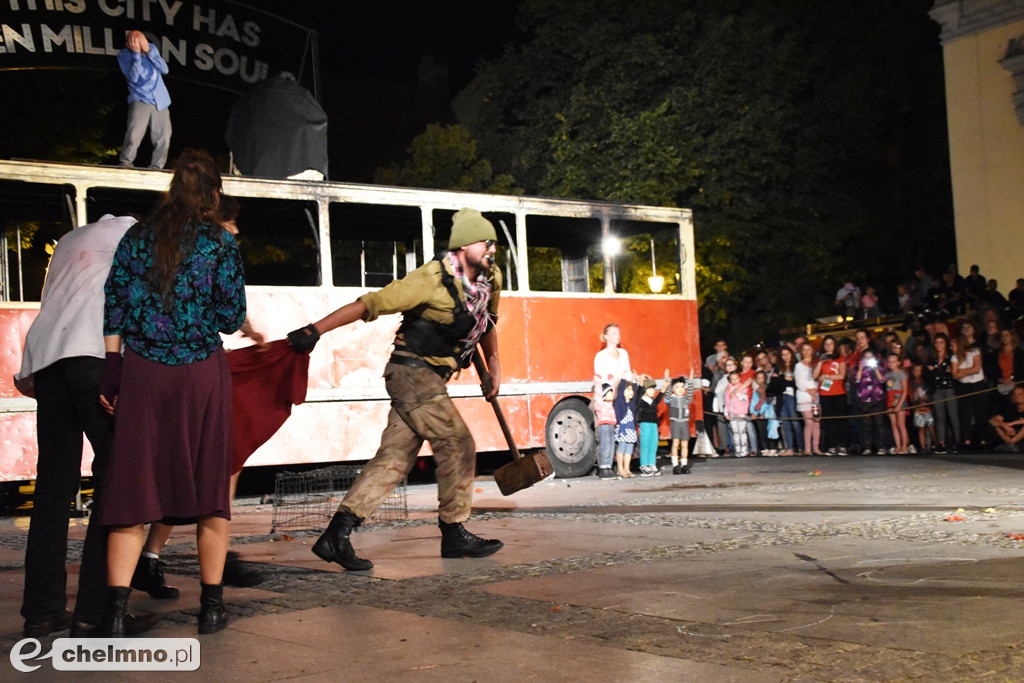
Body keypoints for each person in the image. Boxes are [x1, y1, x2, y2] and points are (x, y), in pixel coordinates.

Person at [291, 208, 504, 571]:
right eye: (486, 242)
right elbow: (370, 304)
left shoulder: (489, 279)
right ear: (464, 245)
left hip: (432, 378)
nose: (492, 249)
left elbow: (487, 324)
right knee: (458, 442)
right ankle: (453, 531)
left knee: (394, 459)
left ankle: (336, 535)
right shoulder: (430, 280)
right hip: (410, 373)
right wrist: (315, 330)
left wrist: (495, 365)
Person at [98, 149, 246, 636]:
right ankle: (211, 609)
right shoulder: (219, 244)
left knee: (133, 490)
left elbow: (114, 303)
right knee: (210, 491)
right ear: (214, 194)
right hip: (201, 372)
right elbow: (229, 316)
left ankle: (116, 615)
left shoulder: (136, 237)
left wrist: (114, 364)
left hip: (142, 373)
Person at [14, 214, 157, 639]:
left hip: (48, 362)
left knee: (53, 488)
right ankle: (95, 610)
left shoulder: (69, 241)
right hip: (94, 357)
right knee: (115, 483)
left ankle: (42, 611)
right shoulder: (135, 236)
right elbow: (140, 301)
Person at [117, 30, 172, 169]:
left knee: (164, 137)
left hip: (160, 100)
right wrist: (136, 54)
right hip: (140, 99)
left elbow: (164, 69)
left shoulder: (151, 49)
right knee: (134, 135)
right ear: (128, 43)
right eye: (133, 40)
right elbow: (133, 78)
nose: (137, 42)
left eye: (139, 38)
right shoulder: (124, 55)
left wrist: (148, 50)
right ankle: (126, 162)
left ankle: (157, 166)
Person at [951, 334, 986, 451]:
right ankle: (967, 440)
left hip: (977, 385)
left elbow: (977, 369)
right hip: (964, 386)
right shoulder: (954, 358)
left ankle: (983, 439)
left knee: (979, 412)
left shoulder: (975, 352)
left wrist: (962, 370)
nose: (951, 347)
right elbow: (955, 375)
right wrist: (968, 371)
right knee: (966, 414)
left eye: (953, 345)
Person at [925, 332, 960, 454]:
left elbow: (950, 373)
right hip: (937, 390)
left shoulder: (951, 358)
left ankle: (957, 442)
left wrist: (936, 370)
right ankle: (941, 443)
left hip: (950, 389)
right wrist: (939, 371)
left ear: (946, 343)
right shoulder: (931, 358)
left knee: (953, 416)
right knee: (940, 417)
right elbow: (928, 374)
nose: (939, 345)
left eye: (941, 342)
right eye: (936, 342)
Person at [815, 335, 848, 455]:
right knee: (829, 420)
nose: (828, 346)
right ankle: (832, 445)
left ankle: (842, 445)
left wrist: (827, 376)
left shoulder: (840, 358)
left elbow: (842, 375)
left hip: (838, 392)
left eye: (831, 344)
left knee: (840, 419)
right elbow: (814, 376)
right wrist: (820, 362)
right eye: (826, 344)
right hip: (825, 393)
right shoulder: (820, 359)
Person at [855, 350, 886, 455]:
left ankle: (881, 446)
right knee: (866, 425)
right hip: (865, 399)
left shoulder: (879, 368)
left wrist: (875, 368)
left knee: (879, 424)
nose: (868, 360)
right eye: (866, 357)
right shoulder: (859, 369)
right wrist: (860, 369)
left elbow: (882, 380)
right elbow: (856, 380)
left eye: (870, 357)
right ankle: (867, 447)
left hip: (877, 398)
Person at [795, 342, 822, 455]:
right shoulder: (798, 366)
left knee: (816, 422)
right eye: (804, 350)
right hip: (804, 396)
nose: (806, 352)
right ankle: (807, 448)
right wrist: (809, 391)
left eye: (808, 349)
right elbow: (799, 382)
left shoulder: (815, 364)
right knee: (809, 422)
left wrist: (816, 390)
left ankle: (816, 447)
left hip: (816, 397)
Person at [774, 347, 802, 455]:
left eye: (788, 354)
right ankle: (789, 448)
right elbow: (775, 382)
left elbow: (795, 382)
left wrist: (783, 379)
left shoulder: (796, 366)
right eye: (783, 355)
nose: (786, 356)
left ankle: (800, 447)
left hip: (792, 396)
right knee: (786, 423)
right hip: (782, 397)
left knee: (795, 422)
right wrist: (784, 379)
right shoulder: (778, 367)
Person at [664, 375, 695, 474]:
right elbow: (667, 393)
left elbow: (690, 392)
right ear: (673, 389)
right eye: (677, 387)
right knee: (675, 444)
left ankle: (684, 464)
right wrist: (667, 380)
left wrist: (690, 380)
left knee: (685, 444)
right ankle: (675, 465)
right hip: (675, 423)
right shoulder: (672, 399)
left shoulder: (686, 399)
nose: (680, 389)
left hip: (684, 423)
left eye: (682, 387)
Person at [636, 377, 664, 475]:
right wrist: (640, 384)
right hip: (645, 424)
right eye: (650, 389)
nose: (653, 391)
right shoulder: (641, 400)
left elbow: (658, 400)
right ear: (645, 390)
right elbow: (638, 394)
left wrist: (663, 390)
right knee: (645, 444)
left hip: (653, 425)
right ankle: (644, 464)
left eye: (653, 389)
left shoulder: (652, 401)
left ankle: (652, 463)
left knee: (653, 444)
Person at [884, 353, 909, 454]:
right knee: (894, 424)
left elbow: (905, 391)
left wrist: (899, 404)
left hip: (899, 398)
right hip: (890, 398)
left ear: (898, 362)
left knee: (901, 424)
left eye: (893, 361)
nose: (891, 364)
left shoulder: (901, 373)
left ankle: (904, 446)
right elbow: (886, 385)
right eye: (889, 362)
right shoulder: (887, 374)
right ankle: (898, 446)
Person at [909, 363, 936, 454]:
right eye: (915, 371)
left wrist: (925, 398)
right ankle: (923, 447)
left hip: (927, 408)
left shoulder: (925, 382)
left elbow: (930, 395)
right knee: (921, 429)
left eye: (919, 371)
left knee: (931, 427)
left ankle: (935, 445)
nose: (917, 373)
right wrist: (915, 397)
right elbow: (911, 398)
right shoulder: (911, 384)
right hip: (918, 410)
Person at [594, 383, 619, 480]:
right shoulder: (600, 405)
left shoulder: (611, 405)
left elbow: (616, 394)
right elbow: (597, 393)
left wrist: (615, 385)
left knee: (611, 446)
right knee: (605, 446)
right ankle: (603, 468)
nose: (611, 395)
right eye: (609, 393)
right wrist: (598, 380)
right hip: (604, 426)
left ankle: (609, 466)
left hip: (611, 425)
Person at [724, 370, 751, 457]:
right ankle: (737, 450)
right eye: (732, 379)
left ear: (739, 378)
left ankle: (744, 450)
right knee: (735, 432)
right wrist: (726, 412)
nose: (734, 381)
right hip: (732, 413)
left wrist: (737, 393)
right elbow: (726, 401)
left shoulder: (743, 388)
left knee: (742, 432)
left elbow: (744, 400)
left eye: (736, 379)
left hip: (741, 412)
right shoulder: (728, 388)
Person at [989, 385, 1024, 452]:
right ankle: (1010, 443)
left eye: (1020, 394)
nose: (1017, 397)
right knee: (997, 425)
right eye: (1015, 394)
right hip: (1011, 434)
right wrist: (1003, 425)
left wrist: (1010, 424)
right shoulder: (1010, 410)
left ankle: (1011, 442)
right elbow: (992, 420)